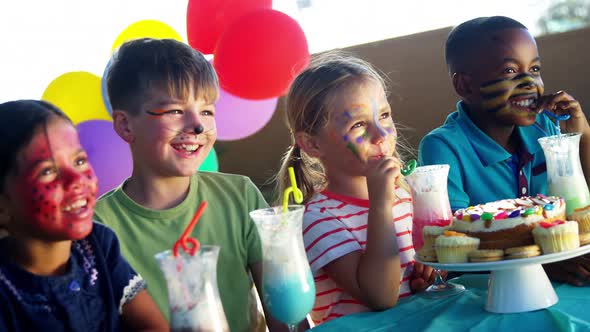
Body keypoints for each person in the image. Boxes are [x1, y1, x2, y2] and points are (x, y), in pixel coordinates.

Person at [95, 38, 295, 332]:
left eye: (207, 111)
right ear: (125, 125)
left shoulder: (239, 196)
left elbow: (285, 310)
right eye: (175, 111)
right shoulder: (98, 229)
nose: (198, 126)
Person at [418, 16, 590, 285]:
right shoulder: (444, 147)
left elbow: (582, 205)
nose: (530, 83)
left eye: (534, 69)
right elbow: (456, 244)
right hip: (486, 289)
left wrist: (582, 134)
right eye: (510, 71)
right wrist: (540, 264)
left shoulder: (546, 127)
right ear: (464, 85)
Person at [276, 52, 437, 325]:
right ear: (313, 145)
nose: (382, 134)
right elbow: (380, 296)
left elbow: (408, 285)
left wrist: (429, 273)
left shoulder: (404, 195)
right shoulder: (317, 219)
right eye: (359, 124)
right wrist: (380, 203)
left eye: (384, 115)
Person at [0, 100, 167, 331]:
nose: (77, 179)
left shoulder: (98, 245)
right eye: (48, 171)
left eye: (79, 161)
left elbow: (153, 326)